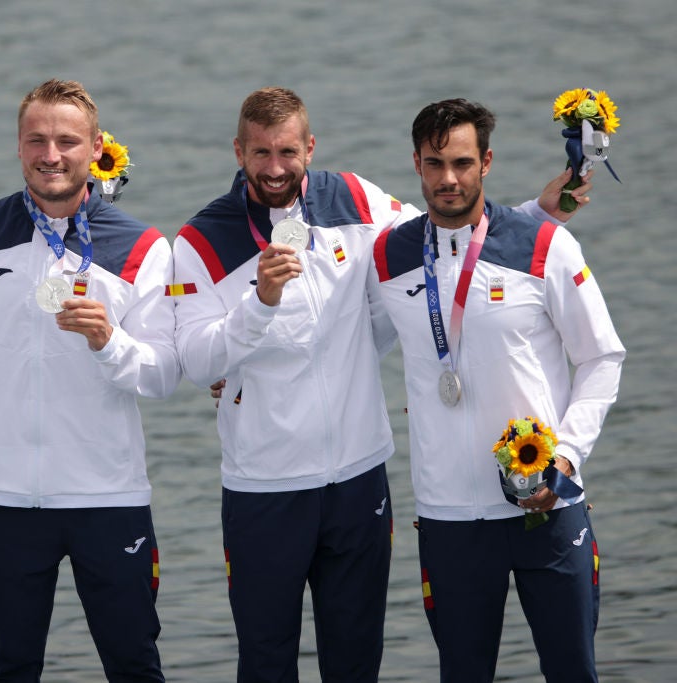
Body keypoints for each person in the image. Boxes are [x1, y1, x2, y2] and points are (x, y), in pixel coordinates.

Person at [171, 87, 591, 682]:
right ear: (238, 151)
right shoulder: (200, 241)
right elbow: (192, 360)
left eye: (287, 151)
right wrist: (257, 306)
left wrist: (535, 216)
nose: (274, 168)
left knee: (357, 662)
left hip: (358, 479)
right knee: (265, 664)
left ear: (309, 147)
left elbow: (451, 235)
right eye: (259, 152)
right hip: (264, 485)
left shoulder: (356, 199)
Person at [0, 79, 180, 682]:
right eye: (36, 139)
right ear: (18, 146)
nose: (51, 154)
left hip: (107, 498)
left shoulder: (142, 245)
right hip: (7, 499)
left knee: (135, 666)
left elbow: (164, 376)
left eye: (66, 140)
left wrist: (108, 341)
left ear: (95, 149)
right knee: (12, 669)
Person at [371, 98, 624, 682]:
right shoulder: (389, 256)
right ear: (416, 164)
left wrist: (567, 454)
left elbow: (602, 358)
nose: (449, 179)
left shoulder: (544, 247)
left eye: (462, 162)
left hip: (549, 502)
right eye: (434, 164)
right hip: (450, 518)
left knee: (572, 672)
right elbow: (333, 330)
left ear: (487, 161)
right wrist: (240, 364)